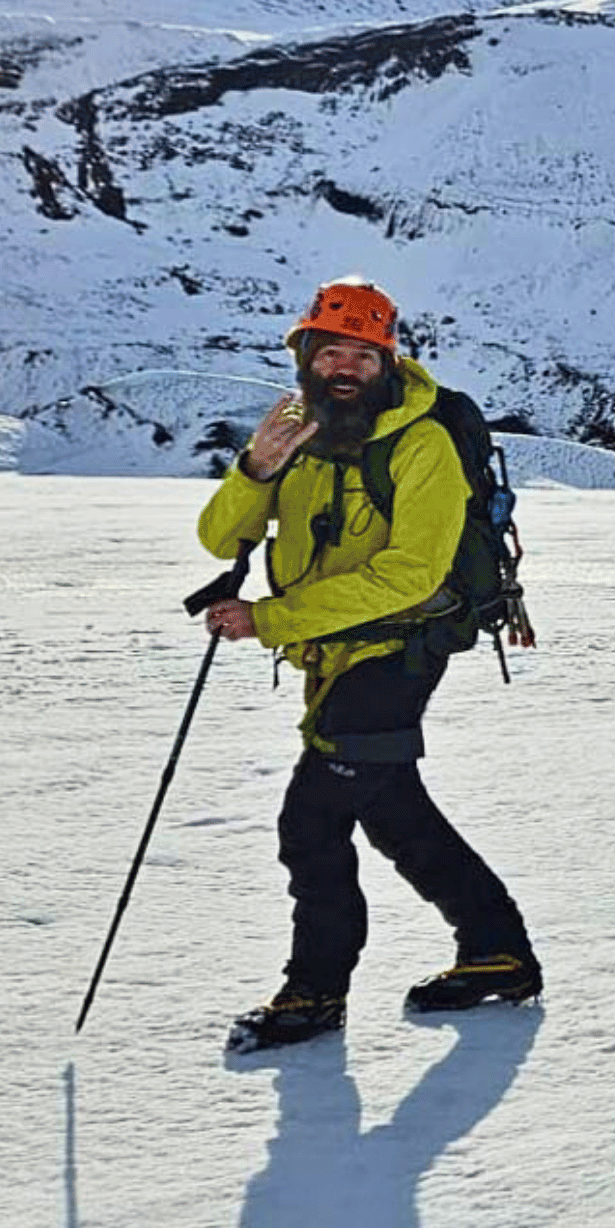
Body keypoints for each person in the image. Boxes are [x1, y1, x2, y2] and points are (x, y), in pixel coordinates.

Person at [198, 278, 539, 1055]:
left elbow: (409, 577)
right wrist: (256, 470)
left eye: (362, 355)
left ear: (388, 362)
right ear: (306, 359)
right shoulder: (301, 433)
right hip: (332, 651)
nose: (344, 369)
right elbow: (220, 540)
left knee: (311, 822)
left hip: (400, 648)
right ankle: (498, 952)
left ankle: (315, 992)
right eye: (330, 354)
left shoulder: (421, 445)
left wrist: (268, 619)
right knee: (392, 812)